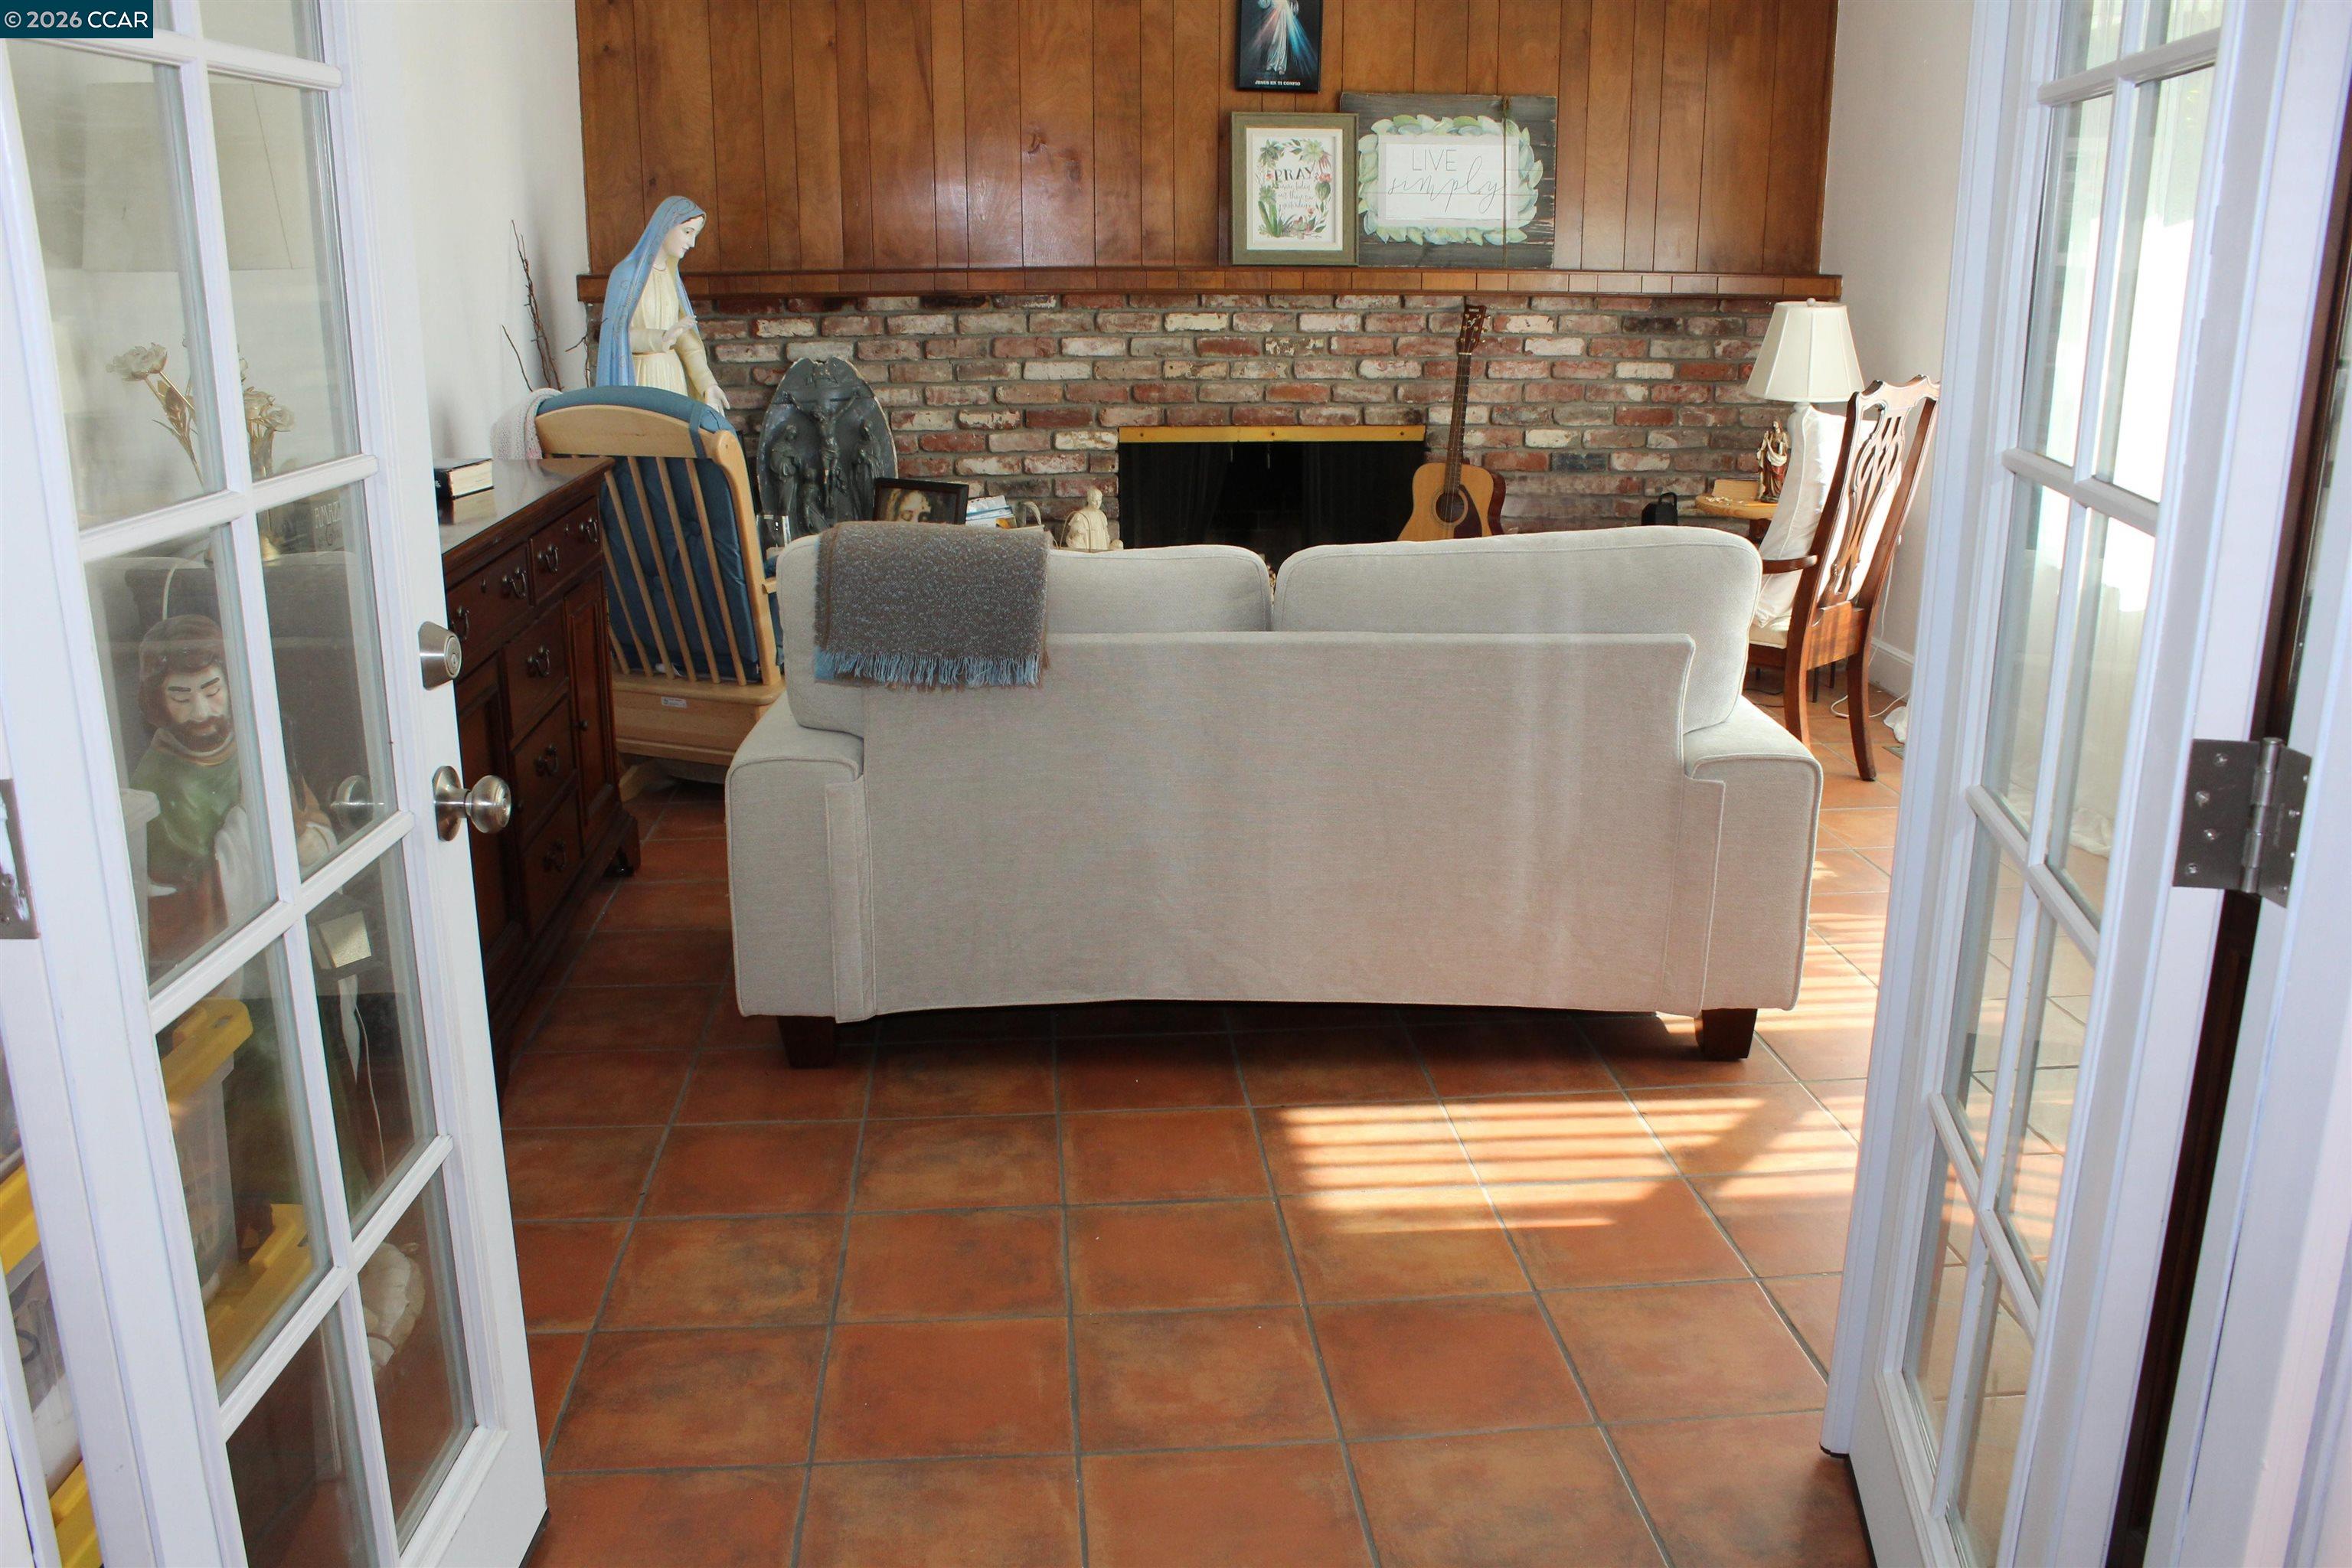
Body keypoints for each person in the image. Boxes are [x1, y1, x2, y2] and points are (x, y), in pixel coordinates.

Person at [131, 615, 334, 969]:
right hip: (228, 955)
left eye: (212, 691)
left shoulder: (254, 742)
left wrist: (308, 835)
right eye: (181, 697)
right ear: (158, 702)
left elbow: (306, 818)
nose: (201, 711)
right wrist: (247, 824)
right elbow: (168, 907)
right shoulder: (157, 784)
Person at [596, 195, 728, 413]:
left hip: (673, 378)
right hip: (641, 378)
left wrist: (708, 384)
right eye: (687, 232)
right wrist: (660, 338)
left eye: (696, 234)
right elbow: (615, 337)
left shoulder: (670, 276)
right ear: (665, 226)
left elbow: (684, 338)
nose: (692, 243)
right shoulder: (626, 275)